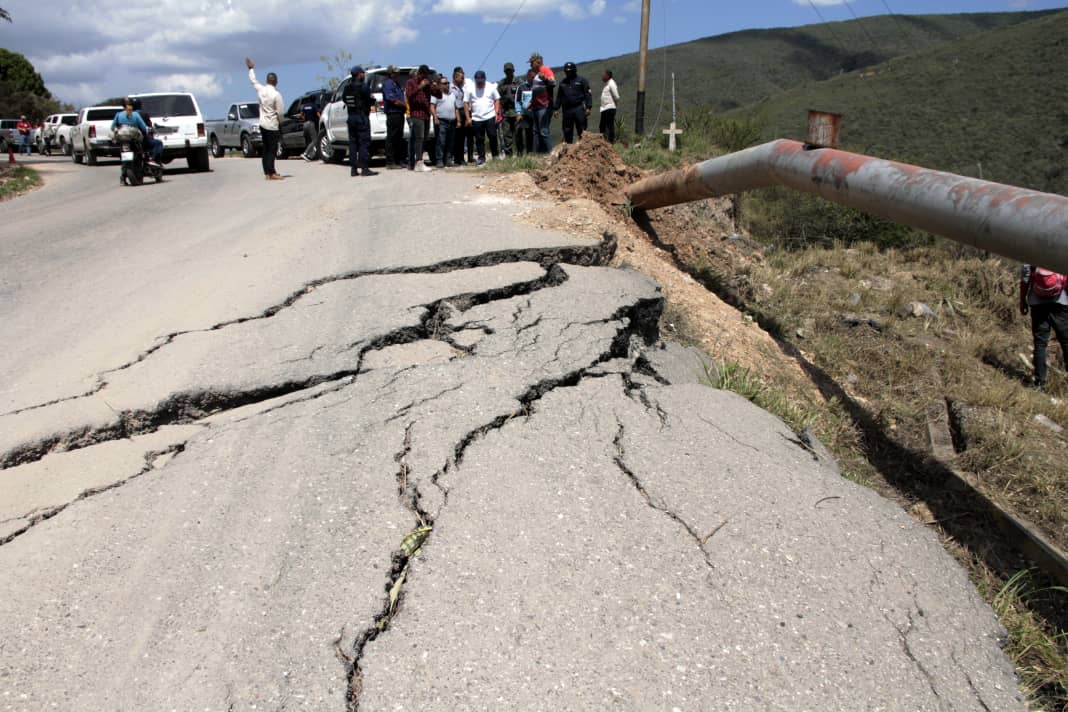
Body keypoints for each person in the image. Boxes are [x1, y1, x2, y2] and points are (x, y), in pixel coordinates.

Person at [1020, 264, 1068, 390]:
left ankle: (1040, 382)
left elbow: (1025, 278)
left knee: (1040, 343)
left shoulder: (1031, 252)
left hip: (1037, 303)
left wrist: (1022, 301)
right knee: (1066, 342)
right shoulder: (1058, 249)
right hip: (1060, 302)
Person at [245, 57, 284, 180]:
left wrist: (251, 68)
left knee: (265, 149)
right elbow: (280, 113)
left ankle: (267, 172)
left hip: (262, 124)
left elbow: (253, 81)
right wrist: (280, 124)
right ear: (276, 82)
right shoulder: (277, 95)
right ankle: (272, 172)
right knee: (272, 150)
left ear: (267, 81)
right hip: (272, 125)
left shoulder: (261, 90)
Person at [405, 65, 441, 171]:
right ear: (419, 74)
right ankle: (418, 162)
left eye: (427, 75)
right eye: (424, 75)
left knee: (424, 139)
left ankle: (419, 161)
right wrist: (420, 87)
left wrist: (436, 88)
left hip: (426, 114)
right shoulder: (411, 82)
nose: (425, 77)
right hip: (416, 114)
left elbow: (439, 96)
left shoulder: (428, 83)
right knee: (418, 138)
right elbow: (409, 95)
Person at [342, 66, 376, 177]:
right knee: (364, 143)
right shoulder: (364, 87)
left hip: (351, 118)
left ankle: (353, 169)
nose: (364, 75)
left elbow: (344, 99)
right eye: (363, 73)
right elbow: (369, 100)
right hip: (361, 118)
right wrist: (372, 101)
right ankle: (364, 168)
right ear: (359, 74)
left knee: (353, 144)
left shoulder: (347, 88)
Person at [464, 70, 501, 166]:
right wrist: (468, 117)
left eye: (481, 80)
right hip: (476, 117)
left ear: (485, 79)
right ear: (475, 80)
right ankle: (481, 157)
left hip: (490, 115)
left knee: (492, 136)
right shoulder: (470, 88)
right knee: (479, 139)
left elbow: (497, 99)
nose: (480, 82)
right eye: (478, 81)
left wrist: (496, 112)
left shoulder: (491, 87)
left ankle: (495, 156)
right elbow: (466, 103)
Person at [553, 62, 591, 144]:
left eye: (570, 71)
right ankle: (568, 149)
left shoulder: (581, 81)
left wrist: (588, 107)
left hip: (579, 108)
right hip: (567, 110)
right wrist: (556, 109)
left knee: (582, 129)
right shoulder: (563, 83)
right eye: (566, 71)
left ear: (574, 70)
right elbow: (559, 97)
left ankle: (583, 147)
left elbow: (587, 94)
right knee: (567, 130)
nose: (568, 72)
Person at [527, 52, 555, 153]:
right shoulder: (537, 73)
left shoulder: (545, 70)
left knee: (543, 130)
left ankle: (550, 152)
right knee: (536, 131)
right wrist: (531, 102)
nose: (530, 65)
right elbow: (536, 90)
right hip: (536, 106)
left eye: (531, 63)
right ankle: (537, 153)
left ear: (537, 62)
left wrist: (545, 79)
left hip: (544, 106)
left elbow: (553, 82)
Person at [381, 65, 407, 169]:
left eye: (397, 73)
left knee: (399, 138)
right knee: (392, 137)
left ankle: (398, 160)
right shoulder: (388, 84)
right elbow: (393, 100)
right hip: (393, 113)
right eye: (395, 73)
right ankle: (390, 162)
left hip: (400, 113)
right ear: (390, 73)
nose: (397, 74)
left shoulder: (396, 84)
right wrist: (405, 105)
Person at [430, 74, 458, 167]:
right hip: (441, 121)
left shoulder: (453, 95)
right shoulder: (436, 94)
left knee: (451, 142)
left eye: (448, 83)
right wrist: (435, 117)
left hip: (452, 121)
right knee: (441, 141)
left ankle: (448, 160)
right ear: (440, 85)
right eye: (444, 83)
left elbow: (456, 108)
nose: (447, 84)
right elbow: (432, 107)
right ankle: (439, 160)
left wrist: (458, 120)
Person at [451, 67, 475, 165]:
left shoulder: (462, 88)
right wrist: (458, 118)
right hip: (456, 112)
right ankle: (457, 158)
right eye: (461, 77)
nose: (463, 79)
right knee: (457, 138)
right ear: (456, 77)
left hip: (464, 112)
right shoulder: (451, 88)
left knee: (463, 138)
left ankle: (462, 158)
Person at [497, 62, 520, 158]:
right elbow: (497, 97)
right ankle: (509, 155)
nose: (508, 72)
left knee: (518, 134)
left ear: (513, 71)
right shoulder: (501, 83)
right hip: (506, 112)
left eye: (510, 70)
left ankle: (520, 154)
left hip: (517, 112)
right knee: (507, 135)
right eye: (507, 71)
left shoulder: (519, 81)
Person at [513, 68, 536, 156]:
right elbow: (518, 101)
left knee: (533, 134)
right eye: (532, 77)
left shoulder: (537, 86)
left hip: (535, 114)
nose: (533, 79)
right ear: (528, 77)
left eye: (535, 77)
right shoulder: (522, 87)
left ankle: (533, 152)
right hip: (525, 115)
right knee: (523, 133)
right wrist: (518, 113)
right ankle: (523, 152)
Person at [599, 69, 620, 143]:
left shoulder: (611, 84)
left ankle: (611, 141)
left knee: (609, 125)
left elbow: (616, 96)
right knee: (602, 126)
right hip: (605, 108)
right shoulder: (607, 84)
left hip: (610, 107)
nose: (602, 77)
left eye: (603, 75)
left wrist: (613, 104)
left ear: (607, 76)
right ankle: (604, 141)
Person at [300, 94, 320, 161]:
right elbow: (318, 114)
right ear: (314, 99)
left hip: (305, 124)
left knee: (308, 140)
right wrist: (320, 119)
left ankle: (310, 156)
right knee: (315, 140)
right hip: (311, 124)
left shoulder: (305, 106)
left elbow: (301, 114)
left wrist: (304, 119)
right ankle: (305, 153)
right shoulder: (314, 105)